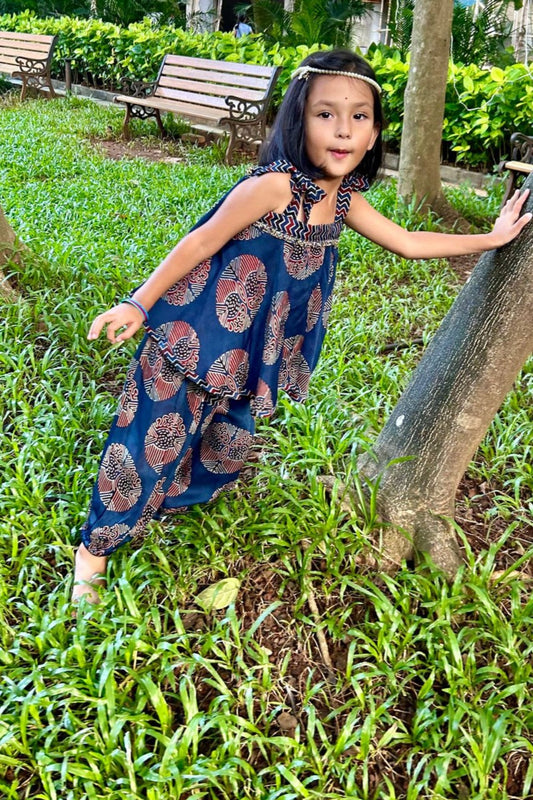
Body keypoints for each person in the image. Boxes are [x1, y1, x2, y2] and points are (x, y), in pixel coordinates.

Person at [72, 48, 531, 603]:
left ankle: (166, 506)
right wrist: (138, 304)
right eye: (325, 114)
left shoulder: (344, 201)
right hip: (192, 340)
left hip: (252, 355)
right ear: (298, 120)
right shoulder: (275, 187)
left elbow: (408, 243)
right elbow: (200, 241)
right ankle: (93, 552)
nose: (343, 130)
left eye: (359, 116)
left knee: (226, 447)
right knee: (147, 448)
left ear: (374, 133)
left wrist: (491, 238)